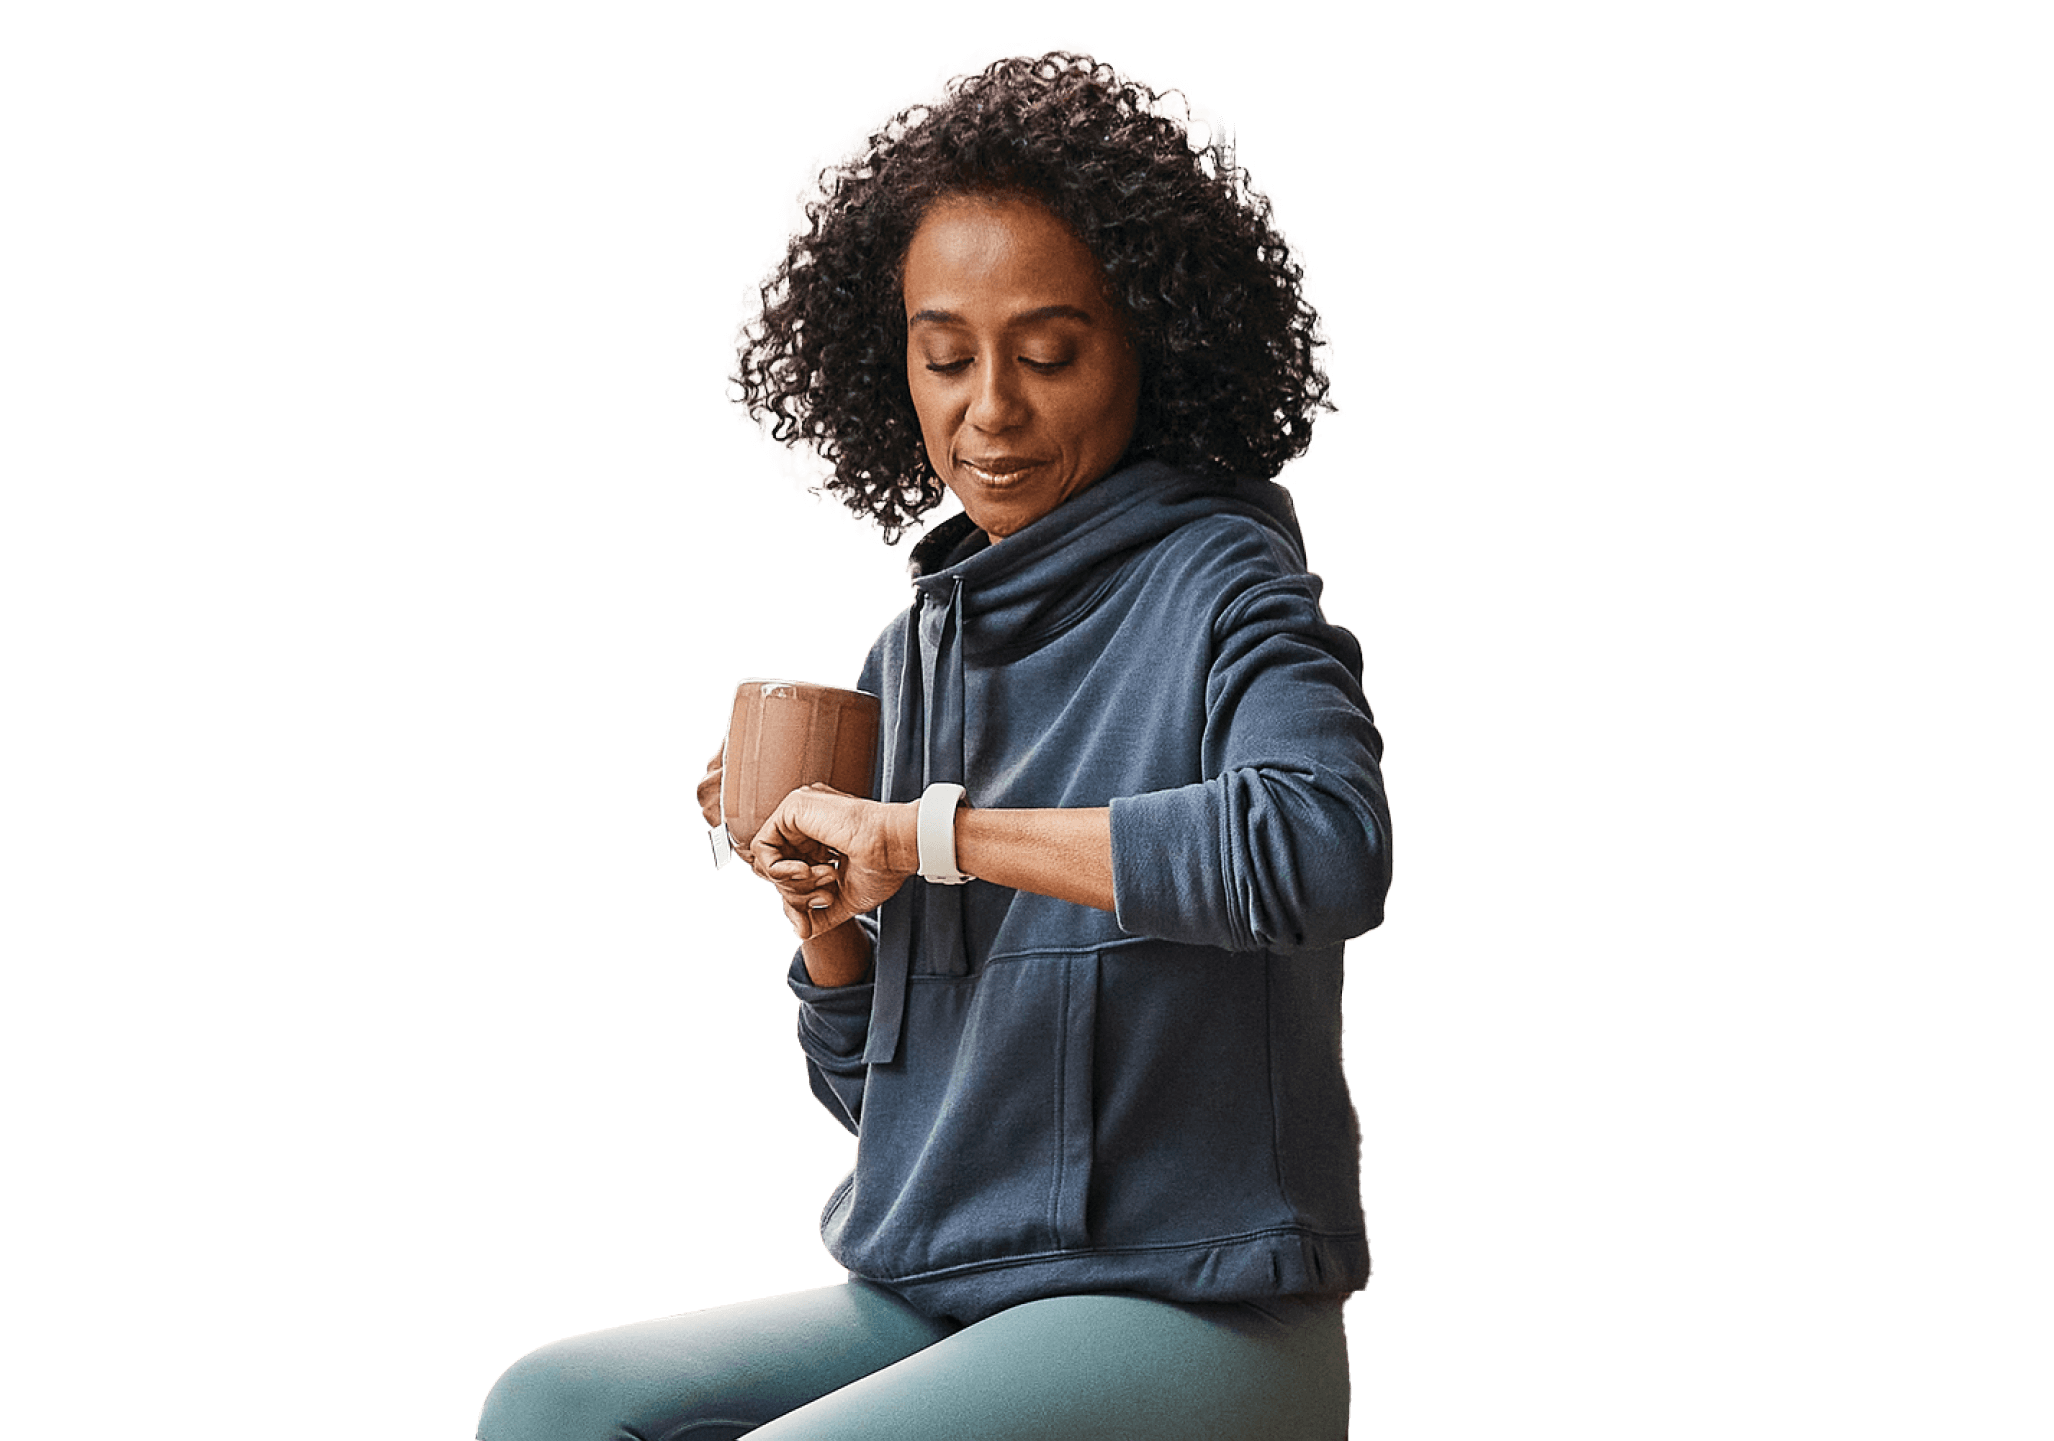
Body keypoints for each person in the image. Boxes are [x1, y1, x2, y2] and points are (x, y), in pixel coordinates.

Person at [480, 42, 1389, 1440]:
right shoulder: (912, 654)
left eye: (1048, 354)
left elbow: (1325, 851)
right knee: (547, 1405)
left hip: (1198, 1304)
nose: (991, 411)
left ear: (1153, 341)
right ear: (884, 361)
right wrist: (827, 916)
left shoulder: (1226, 582)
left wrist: (927, 836)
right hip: (946, 1284)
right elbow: (891, 1114)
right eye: (945, 357)